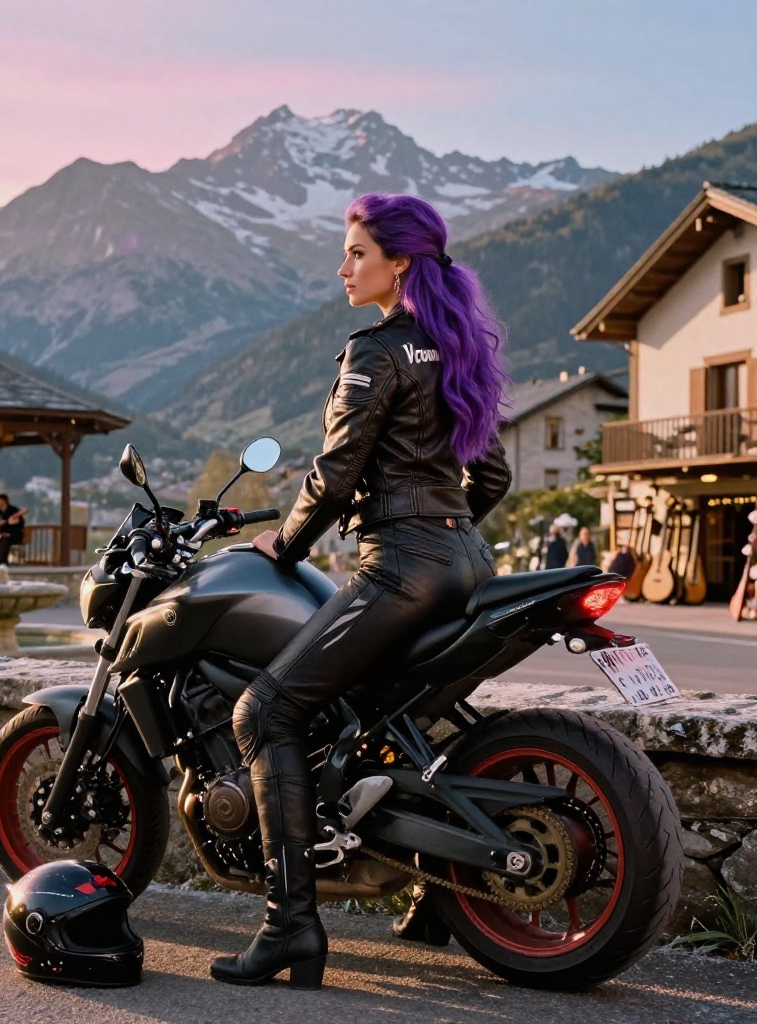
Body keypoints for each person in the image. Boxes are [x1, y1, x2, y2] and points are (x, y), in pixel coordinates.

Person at [209, 193, 512, 989]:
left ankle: (289, 929)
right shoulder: (459, 344)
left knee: (264, 711)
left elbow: (336, 470)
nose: (342, 267)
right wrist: (445, 529)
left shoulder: (376, 349)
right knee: (388, 720)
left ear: (398, 262)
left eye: (356, 253)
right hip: (466, 563)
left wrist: (287, 541)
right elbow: (496, 475)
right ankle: (436, 899)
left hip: (403, 568)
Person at [0, 494, 25, 566]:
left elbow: (20, 524)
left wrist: (11, 523)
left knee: (4, 539)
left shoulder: (13, 510)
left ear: (4, 501)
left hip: (13, 535)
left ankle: (2, 561)